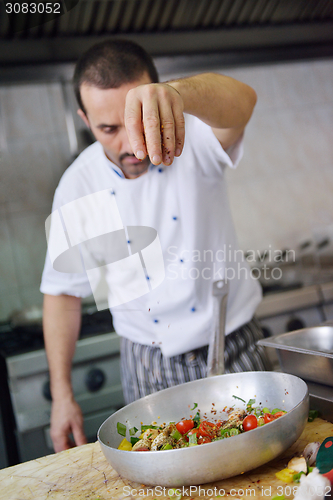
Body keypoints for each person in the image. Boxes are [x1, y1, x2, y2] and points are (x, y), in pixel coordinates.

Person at [40, 39, 271, 453]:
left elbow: (245, 102)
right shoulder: (77, 186)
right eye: (108, 129)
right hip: (148, 365)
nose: (130, 145)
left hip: (234, 344)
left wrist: (178, 95)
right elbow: (62, 294)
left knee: (265, 469)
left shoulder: (195, 138)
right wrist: (61, 396)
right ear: (84, 118)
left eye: (135, 121)